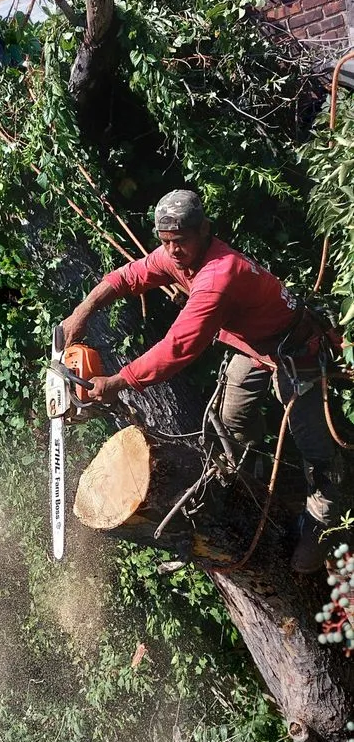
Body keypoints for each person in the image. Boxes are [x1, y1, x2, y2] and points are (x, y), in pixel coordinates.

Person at [61, 189, 341, 573]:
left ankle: (320, 528)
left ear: (204, 230)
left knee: (318, 451)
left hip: (298, 351)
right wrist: (83, 310)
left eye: (180, 241)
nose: (173, 251)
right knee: (229, 422)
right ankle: (251, 486)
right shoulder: (176, 256)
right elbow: (128, 276)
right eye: (165, 242)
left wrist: (118, 382)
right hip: (255, 348)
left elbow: (178, 348)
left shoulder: (218, 275)